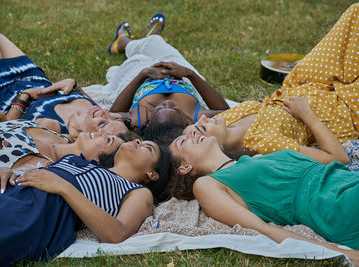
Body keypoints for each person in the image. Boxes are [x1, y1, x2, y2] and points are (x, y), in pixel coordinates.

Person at [168, 96, 359, 264]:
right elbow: (262, 230)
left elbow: (337, 158)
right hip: (334, 204)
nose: (193, 132)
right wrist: (342, 254)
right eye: (183, 141)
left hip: (347, 180)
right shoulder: (207, 185)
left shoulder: (259, 156)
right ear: (184, 168)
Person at [183, 3, 359, 163]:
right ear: (217, 148)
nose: (205, 118)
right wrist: (307, 115)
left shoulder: (225, 120)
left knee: (355, 13)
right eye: (203, 128)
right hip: (339, 110)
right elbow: (338, 158)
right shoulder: (265, 145)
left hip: (303, 82)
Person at [0, 137, 172, 266]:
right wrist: (8, 171)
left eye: (147, 147)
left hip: (35, 213)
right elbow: (40, 171)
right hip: (0, 192)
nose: (137, 141)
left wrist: (63, 187)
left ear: (152, 174)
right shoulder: (85, 162)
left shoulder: (138, 192)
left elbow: (117, 234)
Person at [0, 17, 128, 141]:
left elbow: (7, 133)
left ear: (95, 137)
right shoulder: (95, 113)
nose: (105, 113)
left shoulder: (57, 131)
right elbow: (80, 93)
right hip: (32, 76)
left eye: (103, 124)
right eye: (114, 118)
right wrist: (75, 85)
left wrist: (24, 97)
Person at [105, 15, 230, 130]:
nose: (167, 103)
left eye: (158, 108)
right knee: (155, 44)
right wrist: (190, 74)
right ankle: (144, 38)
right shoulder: (194, 116)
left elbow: (113, 115)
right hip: (181, 74)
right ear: (186, 122)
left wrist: (143, 74)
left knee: (143, 54)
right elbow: (227, 113)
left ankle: (124, 42)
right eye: (175, 108)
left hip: (140, 75)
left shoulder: (139, 120)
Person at [0, 108, 135, 185]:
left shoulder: (42, 166)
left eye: (108, 139)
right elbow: (7, 126)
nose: (101, 132)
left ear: (96, 162)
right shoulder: (56, 134)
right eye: (103, 129)